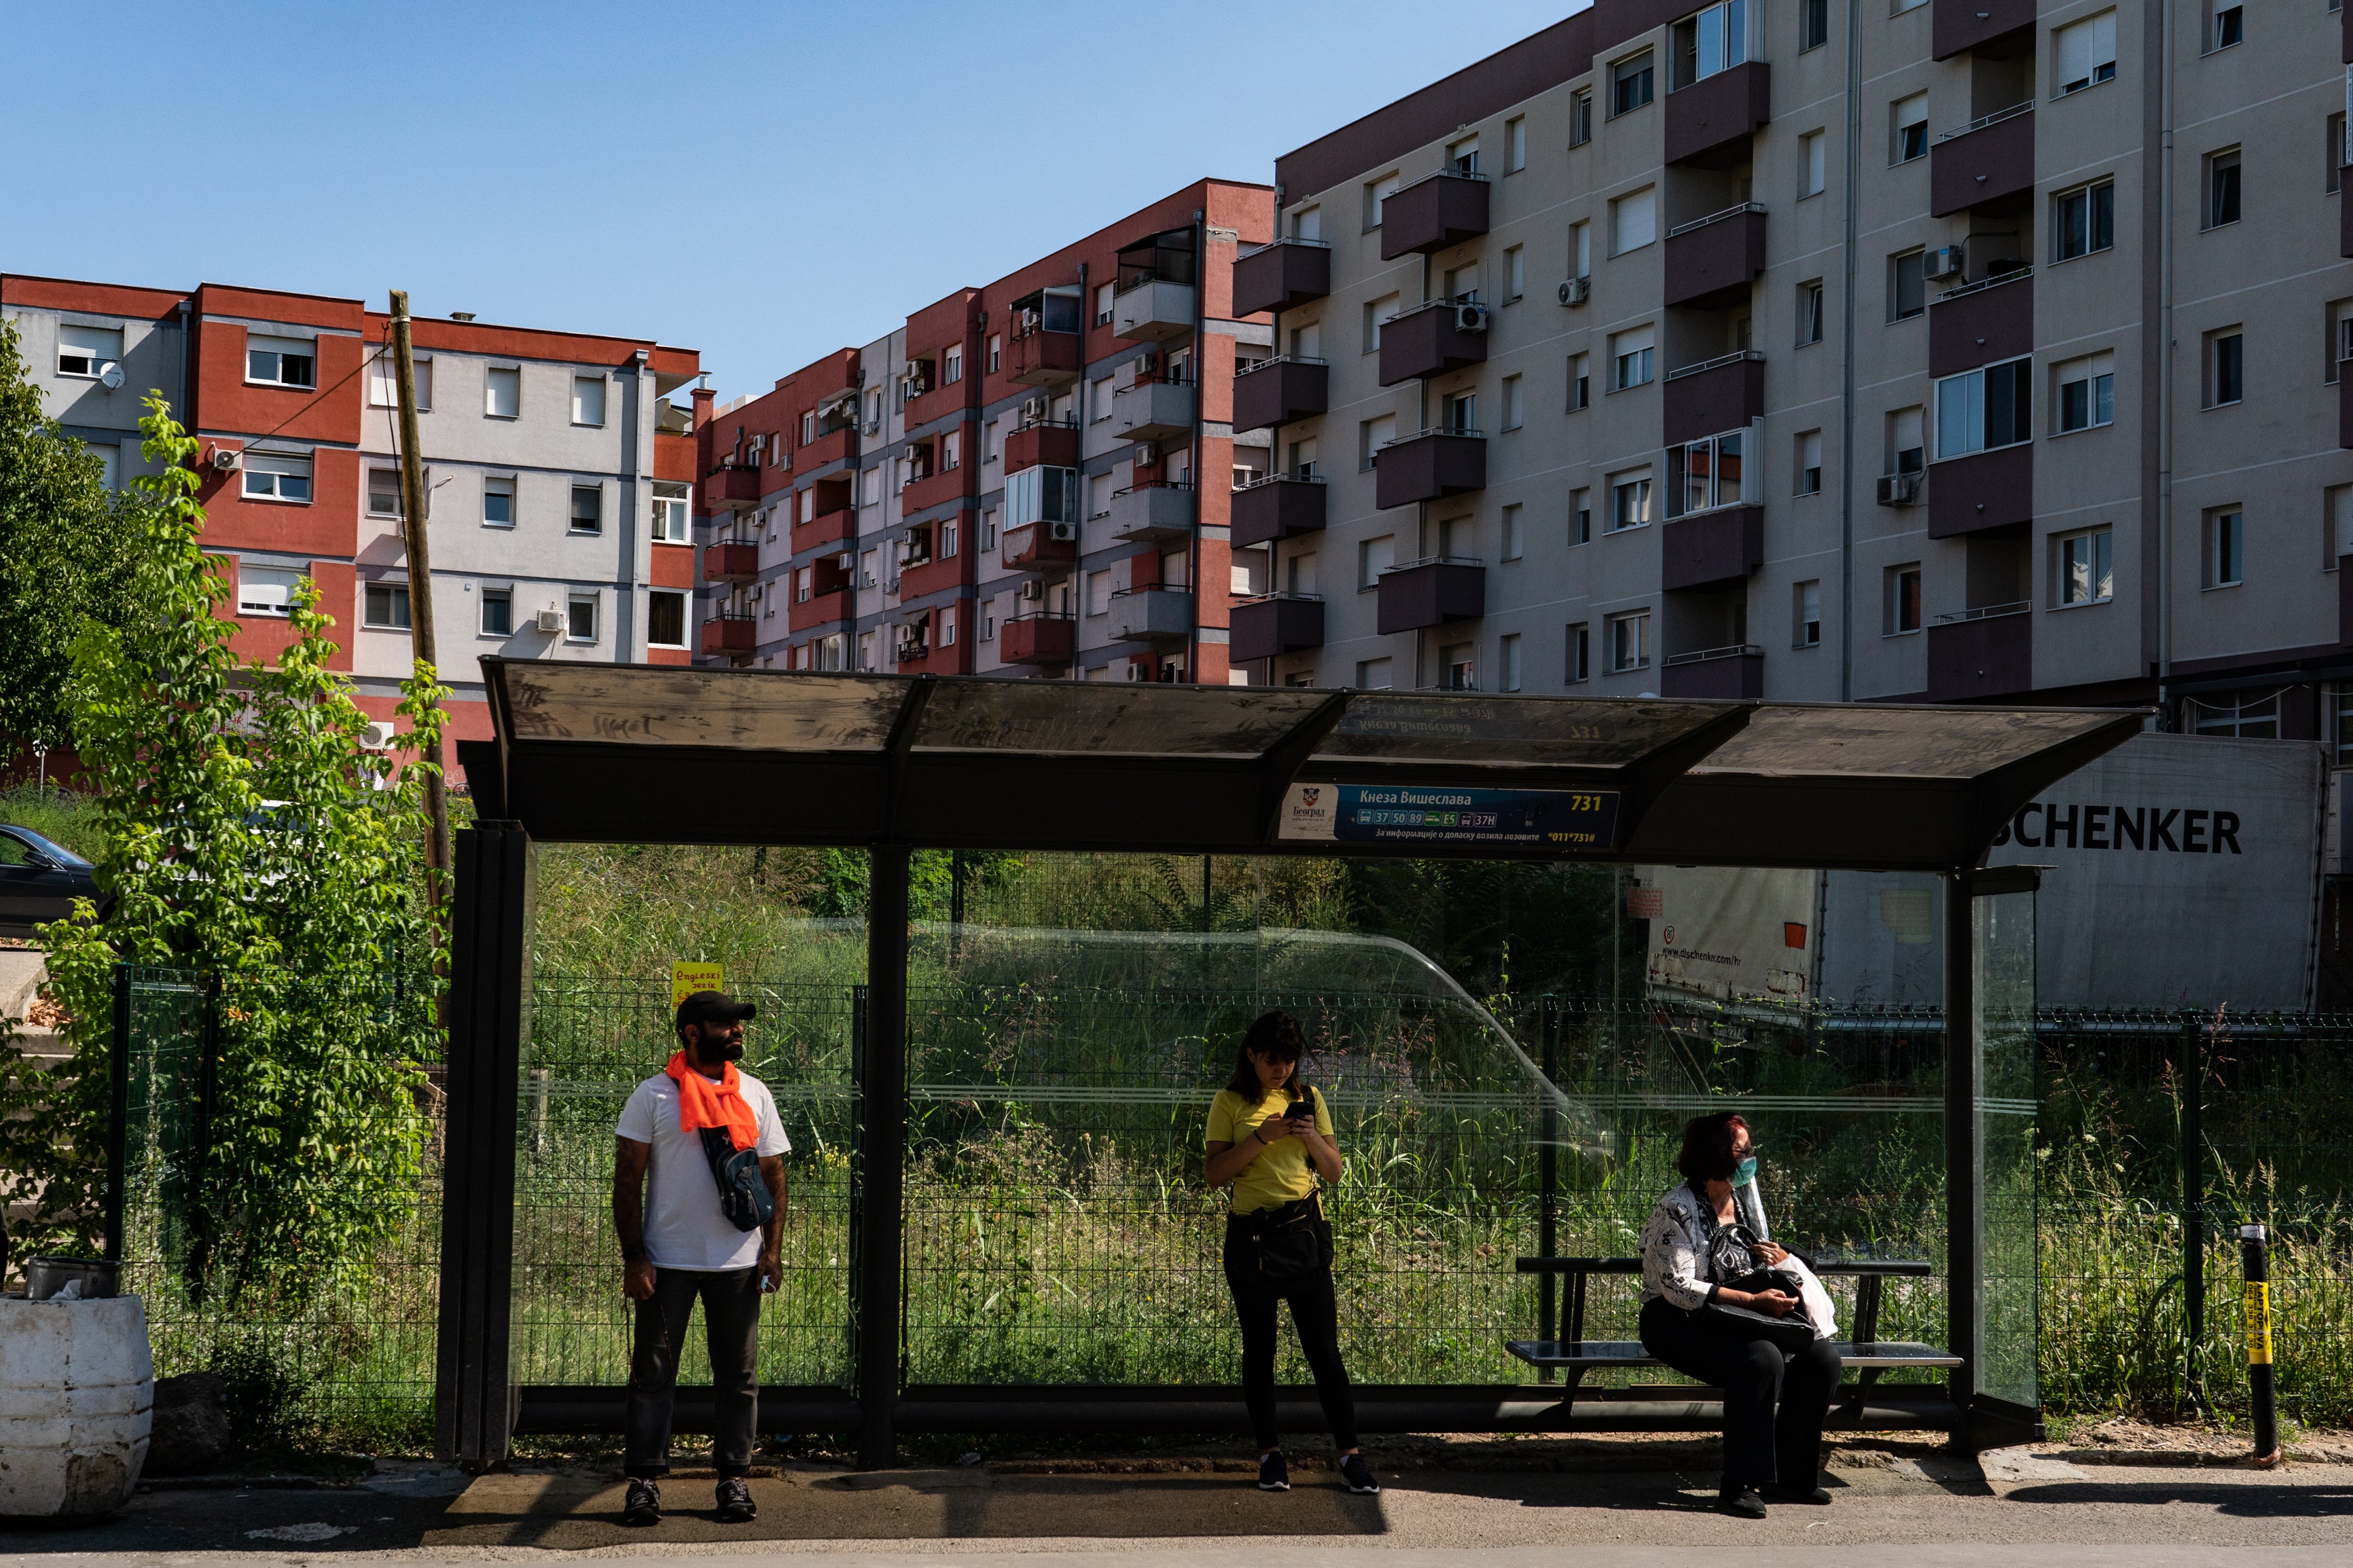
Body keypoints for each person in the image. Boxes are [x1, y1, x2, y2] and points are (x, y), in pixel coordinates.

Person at [613, 989, 790, 1528]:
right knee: (652, 1374)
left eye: (739, 1023)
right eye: (725, 1023)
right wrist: (635, 1257)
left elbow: (774, 1175)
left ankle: (733, 1478)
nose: (738, 1030)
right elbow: (626, 1180)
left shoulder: (755, 1094)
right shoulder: (653, 1097)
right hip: (666, 1263)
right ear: (692, 1031)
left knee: (738, 1376)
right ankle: (643, 1483)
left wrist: (773, 1250)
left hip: (738, 1263)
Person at [1202, 1010, 1379, 1497]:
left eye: (1290, 1060)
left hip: (1303, 1235)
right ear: (1251, 1055)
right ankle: (1270, 1454)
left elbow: (1335, 1171)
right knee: (1260, 1351)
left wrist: (1309, 1137)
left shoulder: (1311, 1099)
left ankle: (1350, 1456)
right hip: (1251, 1242)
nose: (1282, 1069)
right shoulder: (1229, 1101)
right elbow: (1215, 1173)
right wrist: (1262, 1136)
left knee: (1324, 1350)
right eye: (1272, 1060)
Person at [1637, 1111, 1842, 1519]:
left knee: (1822, 1360)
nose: (1750, 1156)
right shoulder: (1676, 1208)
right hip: (1678, 1319)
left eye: (1750, 1148)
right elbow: (1677, 1288)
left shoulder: (1745, 1198)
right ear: (1715, 1155)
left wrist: (1782, 1260)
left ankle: (1792, 1477)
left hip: (1739, 1313)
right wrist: (1752, 1302)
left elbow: (1756, 1255)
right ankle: (1739, 1486)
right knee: (1761, 1359)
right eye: (1741, 1150)